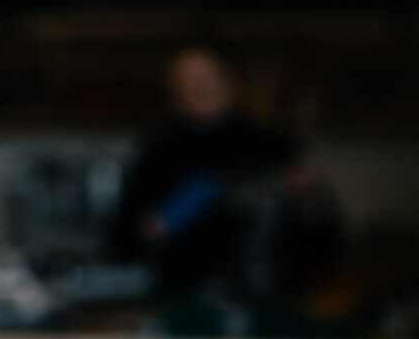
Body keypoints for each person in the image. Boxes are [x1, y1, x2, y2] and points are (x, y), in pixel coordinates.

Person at [113, 44, 340, 304]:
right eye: (185, 82)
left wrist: (310, 202)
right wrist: (148, 230)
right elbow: (124, 237)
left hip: (264, 299)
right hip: (181, 299)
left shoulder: (271, 146)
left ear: (232, 82)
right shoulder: (157, 151)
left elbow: (322, 241)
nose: (197, 89)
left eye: (206, 79)